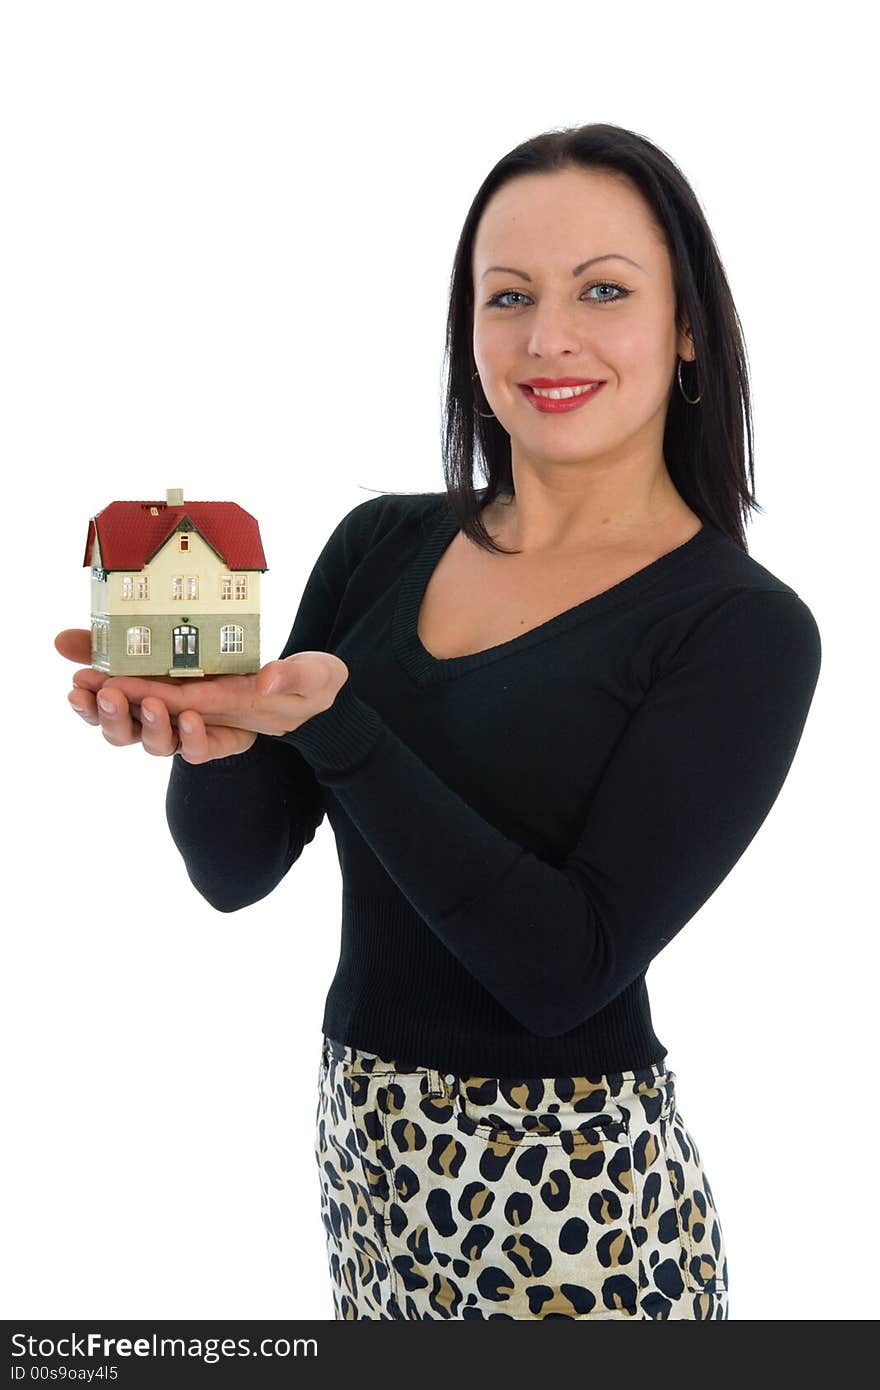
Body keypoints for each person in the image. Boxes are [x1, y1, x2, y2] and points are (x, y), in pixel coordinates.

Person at [56, 122, 822, 1321]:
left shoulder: (737, 628)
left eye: (602, 291)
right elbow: (235, 868)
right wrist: (209, 730)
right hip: (370, 1168)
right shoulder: (382, 544)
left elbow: (561, 968)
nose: (545, 338)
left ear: (685, 329)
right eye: (505, 296)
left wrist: (338, 724)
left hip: (576, 1212)